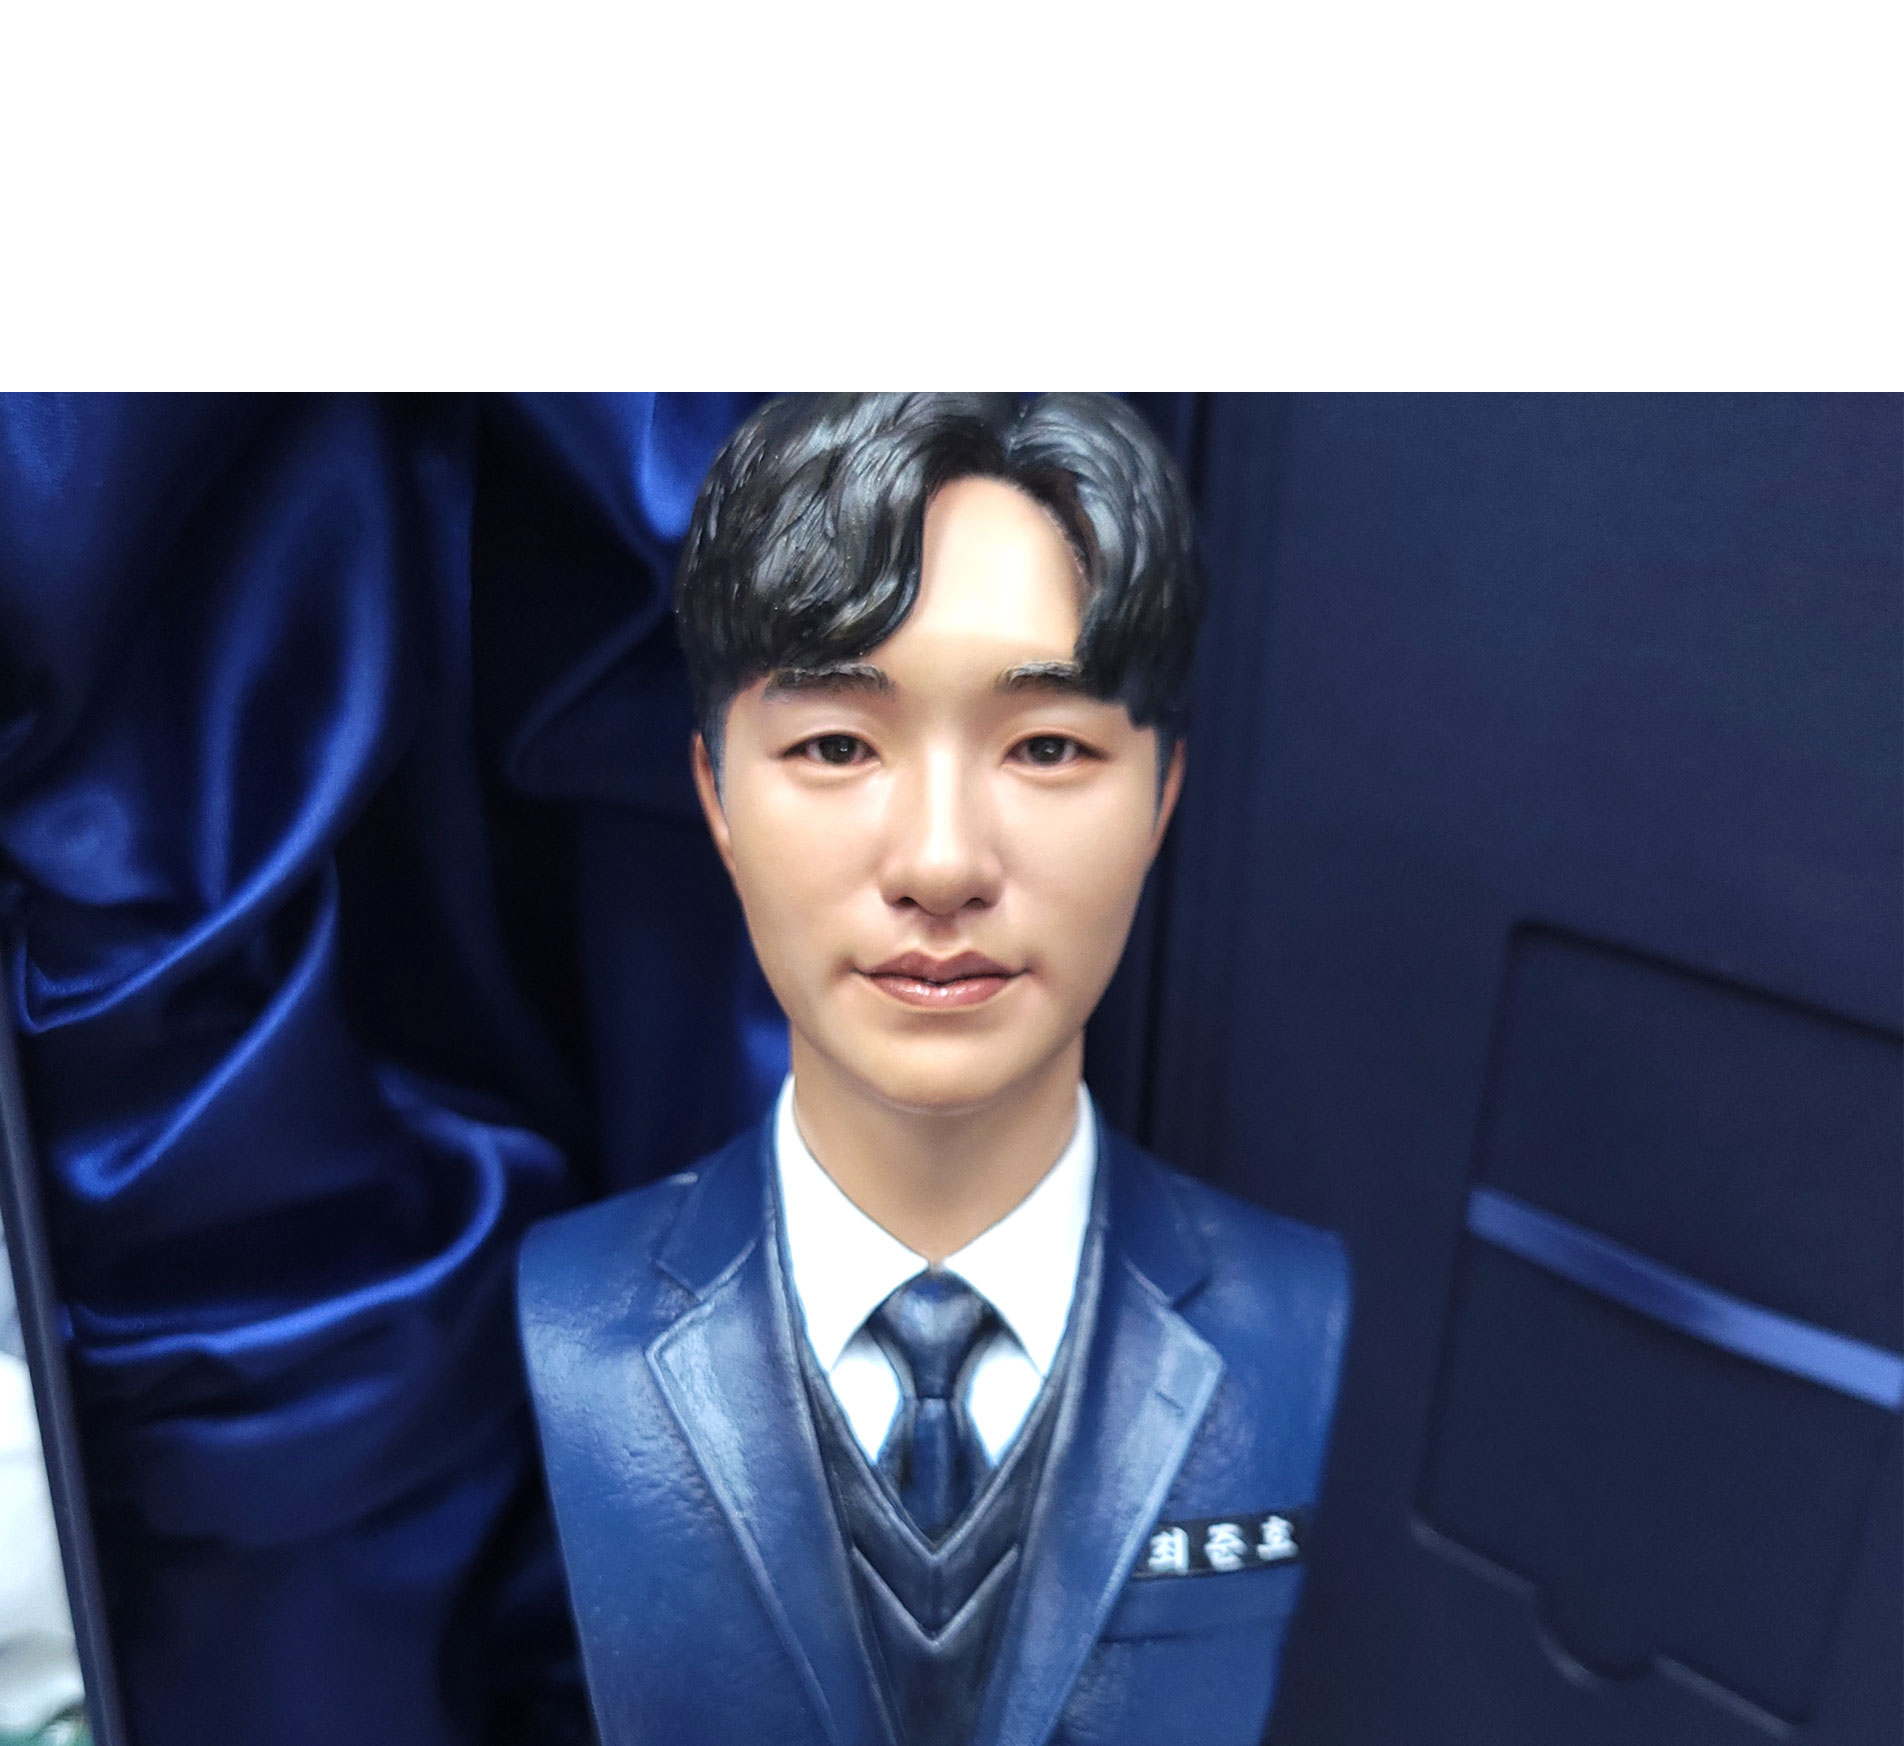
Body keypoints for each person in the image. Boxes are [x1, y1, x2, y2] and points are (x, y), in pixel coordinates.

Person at [517, 394, 1351, 1746]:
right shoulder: (560, 1317)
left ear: (1163, 795)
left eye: (1047, 746)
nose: (943, 862)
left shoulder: (1299, 1307)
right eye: (837, 745)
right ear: (716, 796)